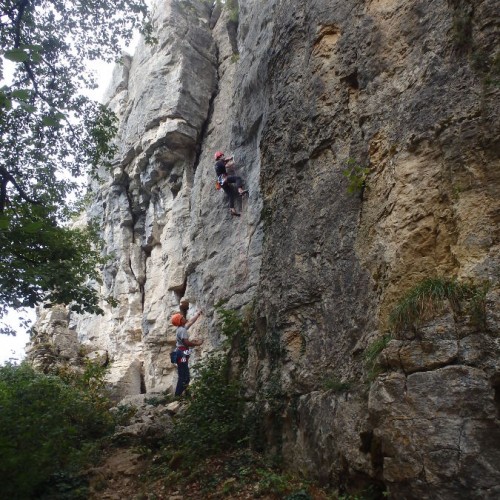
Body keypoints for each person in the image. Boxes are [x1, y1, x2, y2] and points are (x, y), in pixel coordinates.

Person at [171, 310, 203, 397]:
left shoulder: (181, 328)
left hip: (180, 353)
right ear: (180, 321)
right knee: (183, 376)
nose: (185, 318)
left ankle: (185, 395)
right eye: (182, 318)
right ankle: (177, 396)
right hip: (182, 354)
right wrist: (197, 344)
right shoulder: (182, 330)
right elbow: (186, 343)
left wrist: (197, 314)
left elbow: (190, 322)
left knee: (186, 376)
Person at [214, 151, 248, 216]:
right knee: (237, 178)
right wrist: (232, 162)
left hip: (220, 182)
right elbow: (227, 165)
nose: (223, 156)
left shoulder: (217, 164)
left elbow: (224, 161)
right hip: (224, 178)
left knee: (230, 194)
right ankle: (240, 190)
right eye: (222, 155)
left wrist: (229, 158)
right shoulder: (220, 162)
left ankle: (232, 210)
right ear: (220, 156)